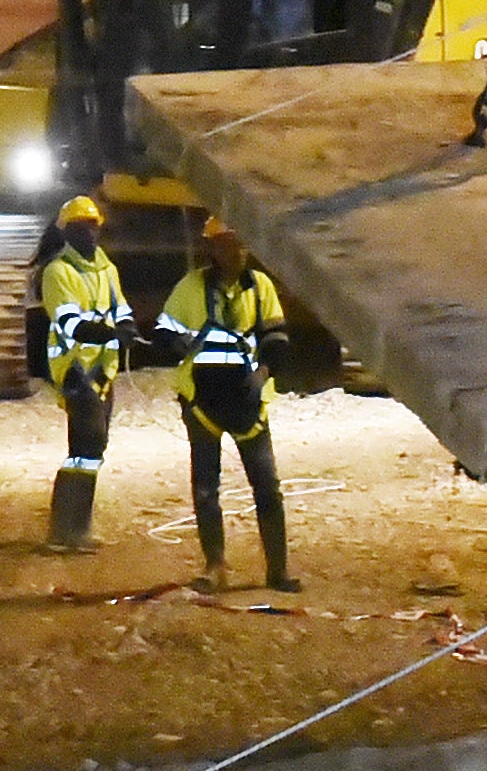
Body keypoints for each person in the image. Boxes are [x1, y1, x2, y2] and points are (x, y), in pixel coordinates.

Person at [159, 220, 295, 594]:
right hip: (202, 402)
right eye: (228, 244)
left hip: (248, 400)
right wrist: (179, 343)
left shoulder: (259, 286)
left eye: (241, 244)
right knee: (206, 488)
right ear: (212, 249)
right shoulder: (191, 288)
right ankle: (214, 565)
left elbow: (277, 336)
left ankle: (278, 571)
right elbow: (163, 330)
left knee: (267, 487)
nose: (237, 252)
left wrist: (264, 372)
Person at [38, 196, 130, 550]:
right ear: (66, 232)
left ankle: (76, 527)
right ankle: (65, 529)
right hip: (75, 370)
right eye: (80, 227)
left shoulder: (106, 269)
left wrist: (128, 327)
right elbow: (70, 325)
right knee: (86, 444)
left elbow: (119, 308)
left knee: (93, 447)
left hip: (103, 371)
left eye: (92, 226)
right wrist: (112, 334)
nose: (88, 233)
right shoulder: (57, 272)